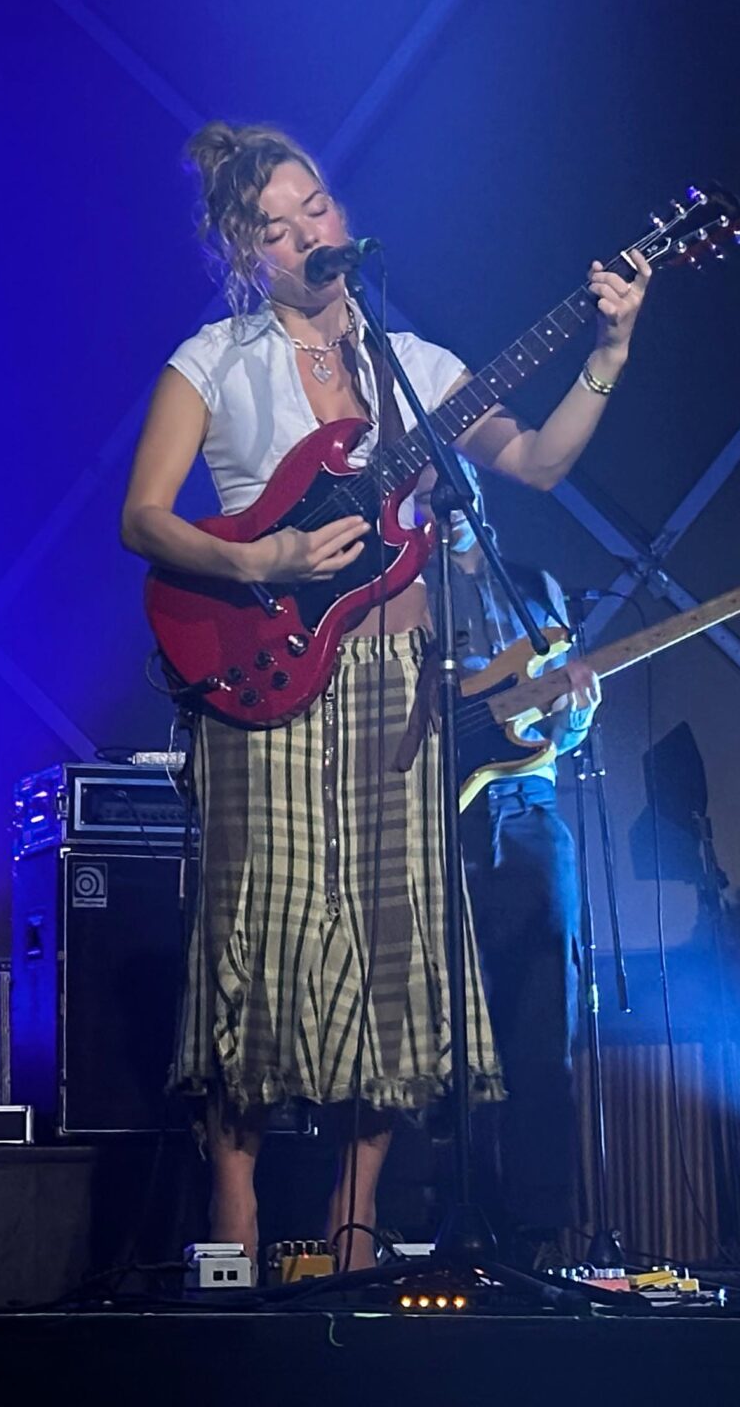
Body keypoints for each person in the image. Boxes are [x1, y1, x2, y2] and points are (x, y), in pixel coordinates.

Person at [120, 122, 648, 1268]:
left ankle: (357, 1223)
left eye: (316, 206)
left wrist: (607, 345)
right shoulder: (212, 360)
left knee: (392, 943)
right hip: (261, 673)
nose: (310, 230)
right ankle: (236, 1207)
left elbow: (542, 459)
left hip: (395, 682)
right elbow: (143, 518)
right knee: (260, 937)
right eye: (277, 224)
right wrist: (264, 563)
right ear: (242, 251)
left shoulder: (417, 370)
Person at [434, 499, 596, 1265]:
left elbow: (564, 722)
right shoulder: (406, 586)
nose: (449, 498)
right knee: (436, 1026)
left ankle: (536, 1230)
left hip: (529, 807)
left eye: (459, 478)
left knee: (540, 1022)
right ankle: (437, 1208)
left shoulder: (536, 585)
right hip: (437, 818)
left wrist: (576, 707)